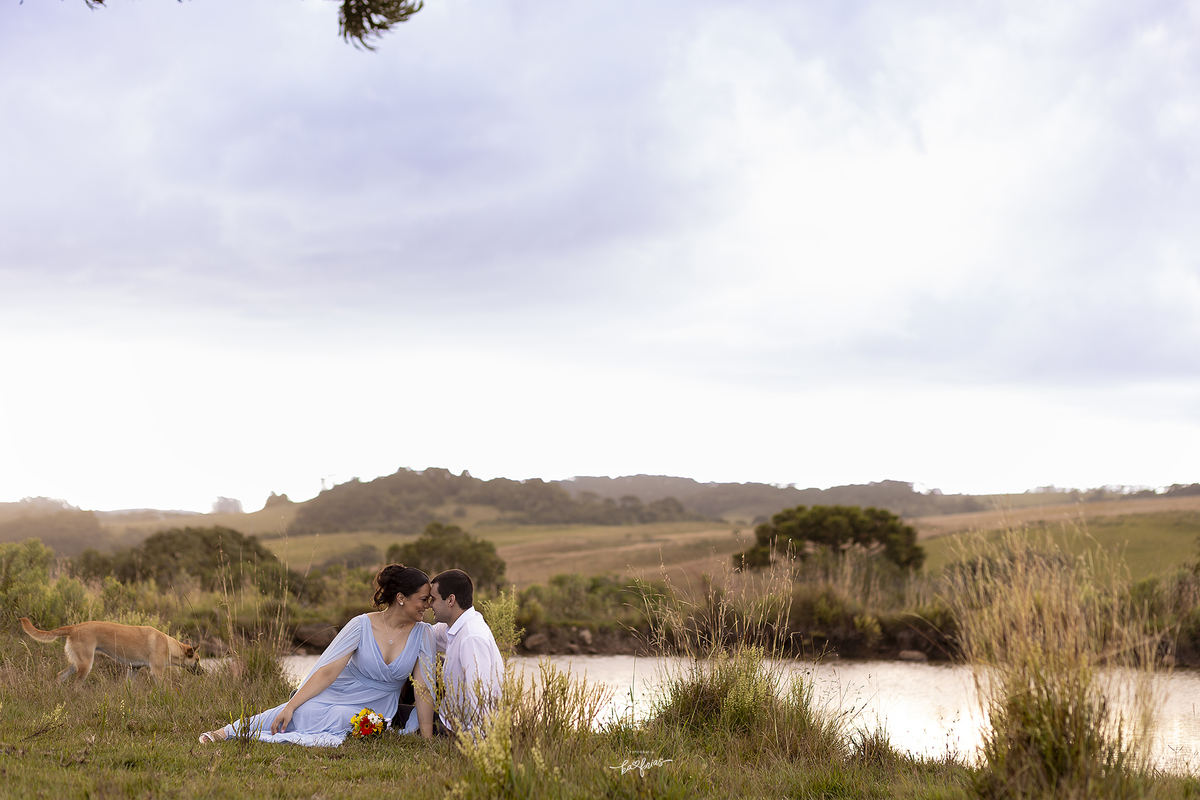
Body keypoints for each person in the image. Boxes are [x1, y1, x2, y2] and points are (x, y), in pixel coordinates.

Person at [198, 565, 436, 745]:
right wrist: (291, 705)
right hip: (340, 691)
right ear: (401, 598)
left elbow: (423, 688)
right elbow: (327, 671)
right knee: (300, 711)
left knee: (346, 717)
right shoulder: (361, 625)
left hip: (377, 705)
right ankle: (227, 732)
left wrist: (426, 737)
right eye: (423, 600)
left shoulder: (424, 634)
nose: (428, 606)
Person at [429, 569, 504, 734]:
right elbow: (424, 637)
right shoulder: (456, 625)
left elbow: (480, 694)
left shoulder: (471, 637)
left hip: (459, 730)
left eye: (433, 599)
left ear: (450, 600)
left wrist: (476, 747)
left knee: (397, 720)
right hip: (449, 718)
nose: (429, 604)